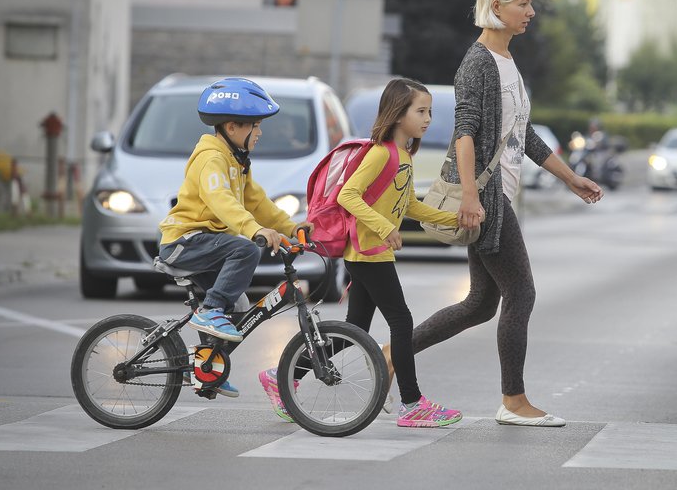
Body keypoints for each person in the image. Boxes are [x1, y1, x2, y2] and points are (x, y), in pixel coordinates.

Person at [408, 0, 604, 427]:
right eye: (523, 4)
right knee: (522, 292)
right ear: (496, 7)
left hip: (501, 193)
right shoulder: (477, 63)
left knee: (481, 302)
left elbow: (524, 135)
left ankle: (393, 356)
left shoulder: (509, 63)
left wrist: (569, 177)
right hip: (487, 197)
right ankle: (513, 400)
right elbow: (465, 133)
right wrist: (473, 196)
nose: (531, 12)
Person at [259, 78, 467, 428]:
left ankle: (282, 375)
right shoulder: (380, 152)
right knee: (401, 322)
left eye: (429, 111)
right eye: (421, 111)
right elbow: (348, 196)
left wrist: (454, 220)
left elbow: (409, 205)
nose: (428, 118)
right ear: (398, 114)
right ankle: (412, 403)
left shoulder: (404, 155)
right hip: (368, 252)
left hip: (373, 253)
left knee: (355, 328)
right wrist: (385, 228)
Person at [158, 77, 312, 398]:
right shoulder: (211, 158)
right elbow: (221, 200)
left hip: (205, 246)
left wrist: (290, 228)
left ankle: (208, 368)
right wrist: (254, 230)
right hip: (184, 243)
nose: (259, 132)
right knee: (244, 252)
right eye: (255, 126)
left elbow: (258, 203)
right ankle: (210, 309)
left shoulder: (238, 162)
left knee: (239, 308)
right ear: (232, 127)